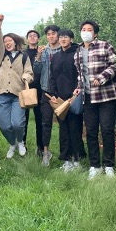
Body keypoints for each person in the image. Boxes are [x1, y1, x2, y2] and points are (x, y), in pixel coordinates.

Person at [73, 20, 116, 180]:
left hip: (106, 95)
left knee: (107, 130)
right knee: (91, 132)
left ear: (95, 33)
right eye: (83, 29)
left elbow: (115, 65)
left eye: (89, 29)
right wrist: (79, 87)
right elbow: (80, 74)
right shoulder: (78, 51)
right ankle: (95, 165)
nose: (85, 32)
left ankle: (109, 165)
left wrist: (101, 78)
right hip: (88, 97)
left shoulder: (105, 46)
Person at [0, 14, 34, 158]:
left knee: (17, 124)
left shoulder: (24, 56)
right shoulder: (1, 56)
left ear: (15, 42)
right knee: (4, 125)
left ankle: (20, 141)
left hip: (18, 94)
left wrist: (26, 76)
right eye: (5, 41)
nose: (7, 43)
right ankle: (12, 143)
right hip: (2, 94)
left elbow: (29, 71)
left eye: (9, 40)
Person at [49, 29, 83, 172]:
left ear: (71, 39)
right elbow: (52, 76)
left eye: (66, 37)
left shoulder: (77, 54)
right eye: (61, 37)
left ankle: (77, 159)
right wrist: (53, 93)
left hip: (74, 96)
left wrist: (77, 90)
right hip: (60, 98)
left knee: (75, 128)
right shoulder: (56, 56)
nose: (63, 39)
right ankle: (66, 159)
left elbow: (81, 74)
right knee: (63, 129)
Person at [33, 24, 60, 166]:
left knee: (65, 123)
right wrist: (38, 56)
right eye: (49, 34)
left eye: (53, 33)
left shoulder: (64, 49)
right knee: (46, 122)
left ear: (58, 35)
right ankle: (45, 152)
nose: (51, 36)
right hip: (46, 91)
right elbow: (36, 70)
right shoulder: (43, 51)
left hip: (61, 92)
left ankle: (69, 153)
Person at [23, 30, 44, 157]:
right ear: (27, 39)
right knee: (23, 119)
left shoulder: (43, 52)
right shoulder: (23, 54)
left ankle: (40, 147)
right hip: (25, 89)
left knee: (40, 119)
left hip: (40, 89)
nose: (32, 37)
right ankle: (22, 145)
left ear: (38, 39)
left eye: (34, 35)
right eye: (30, 36)